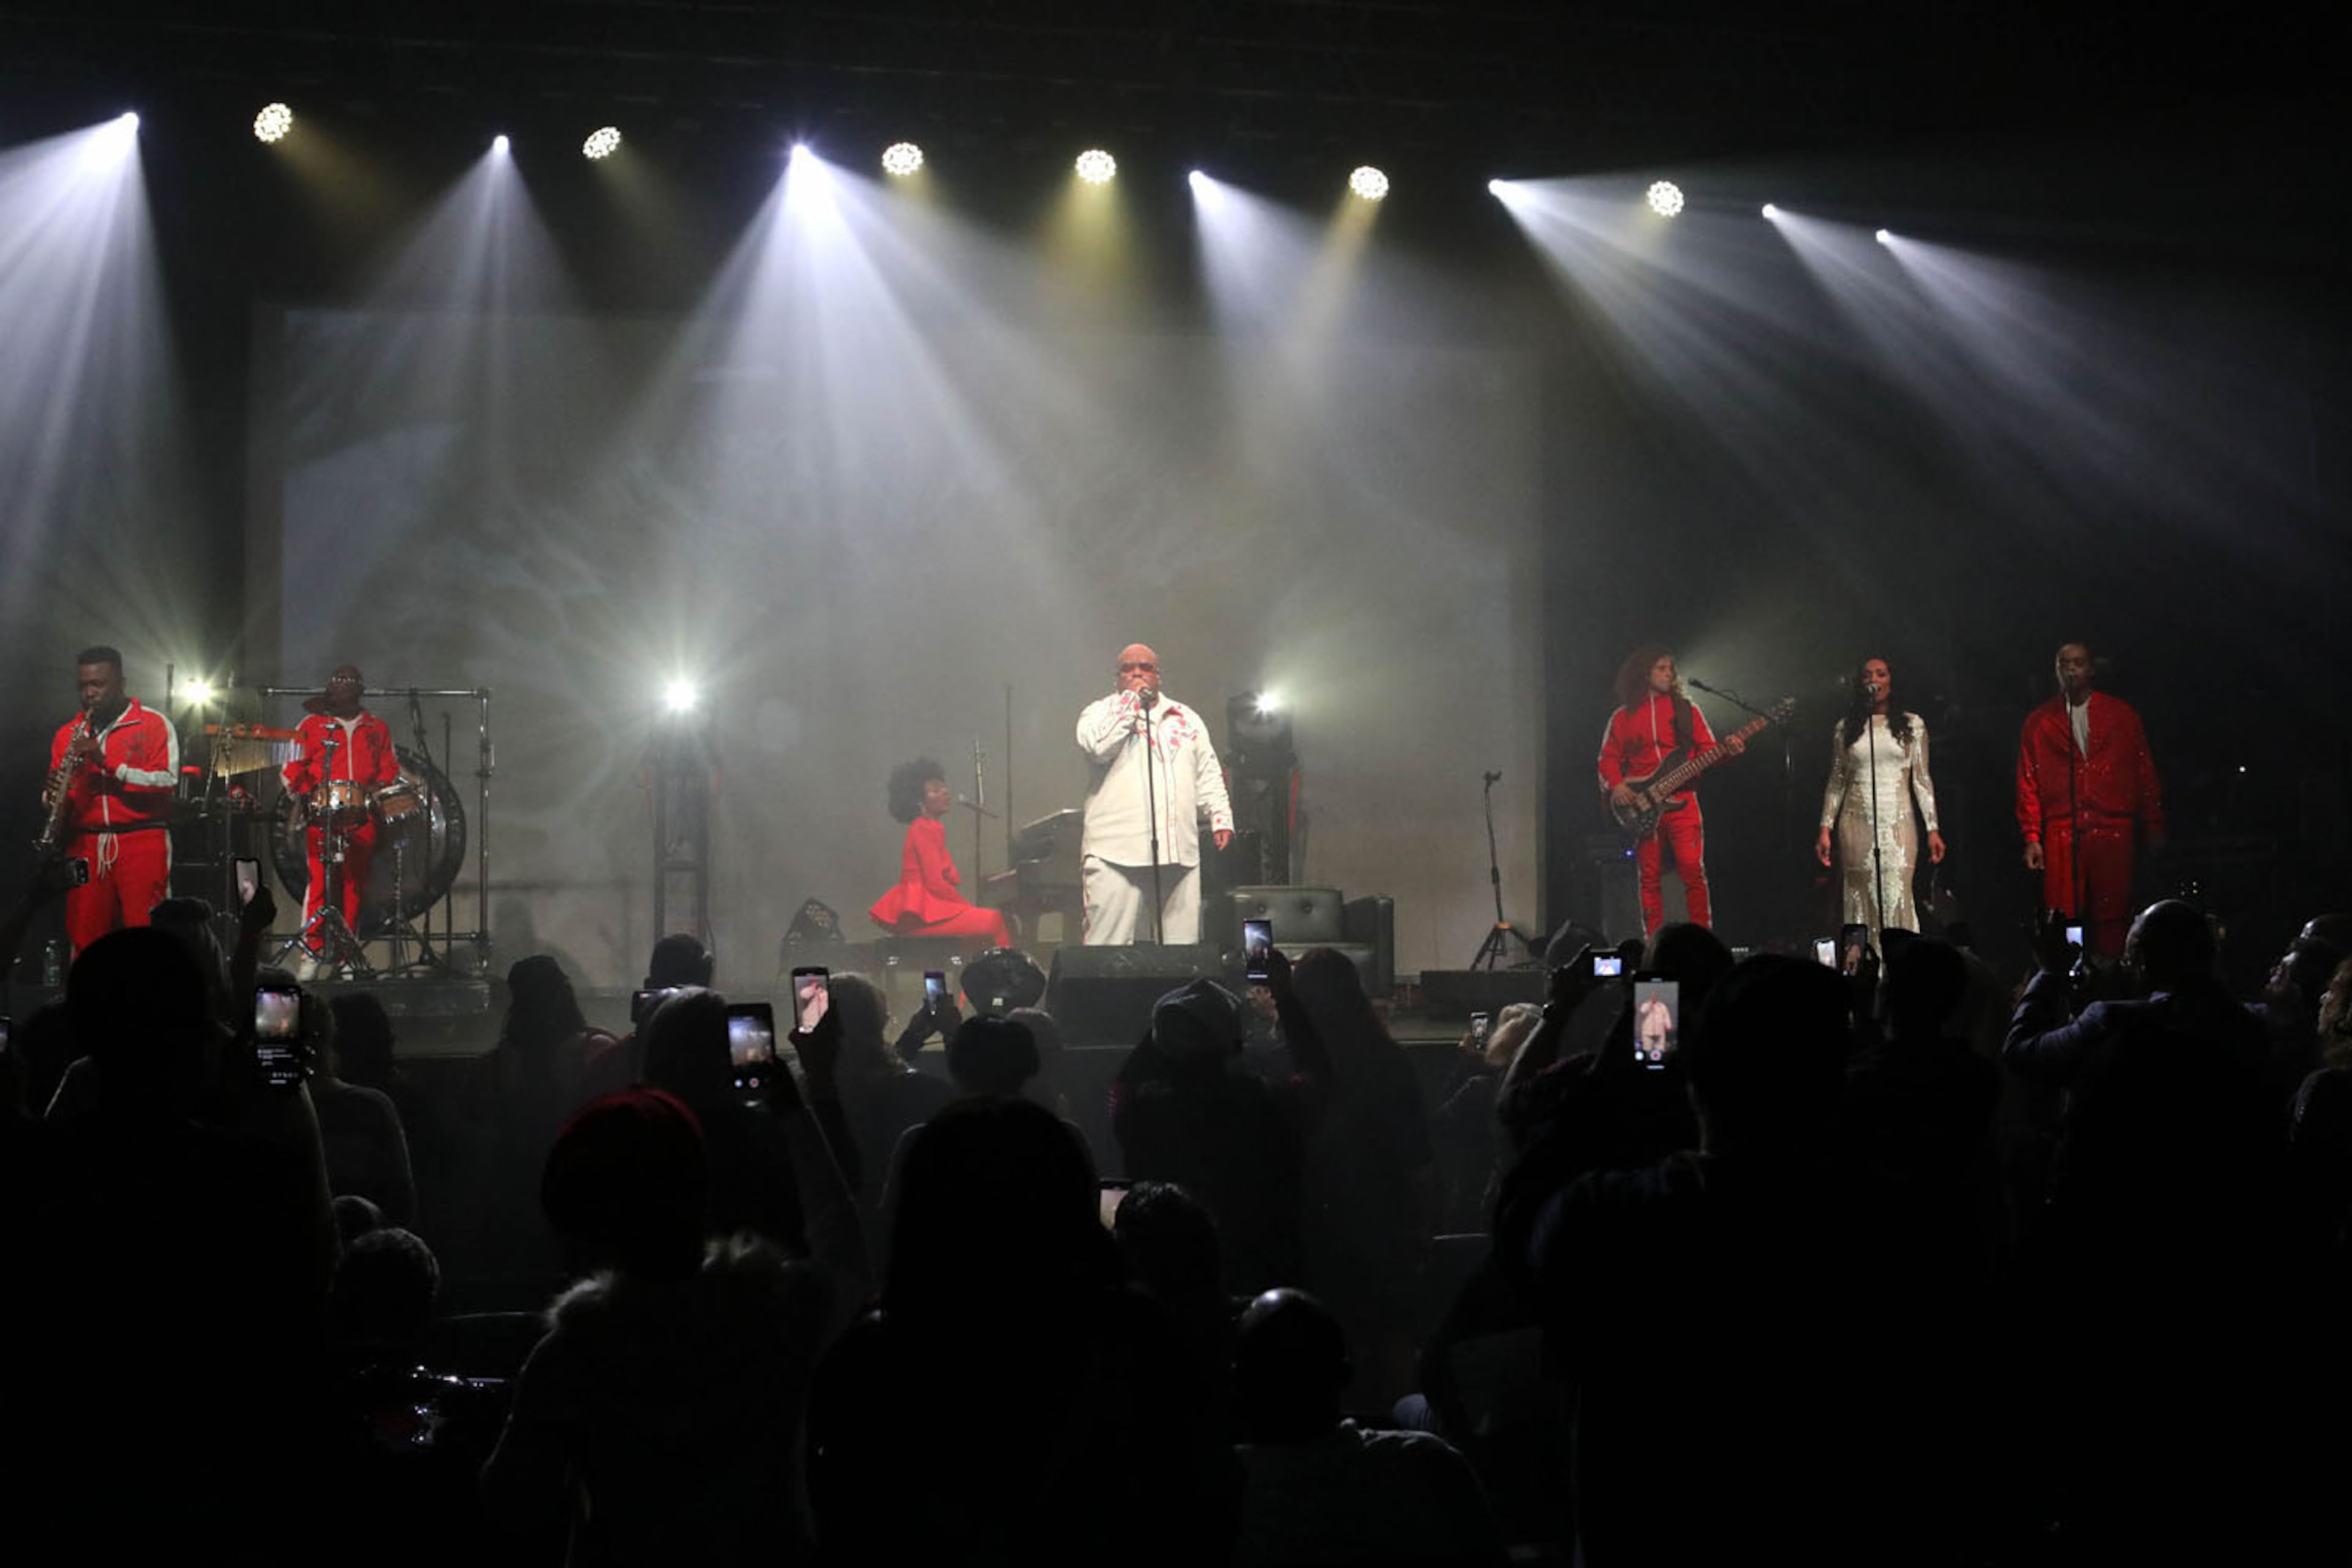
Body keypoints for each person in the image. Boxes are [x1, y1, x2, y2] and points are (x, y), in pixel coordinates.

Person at [1075, 643, 1234, 945]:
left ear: (1158, 676)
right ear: (1117, 678)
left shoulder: (1186, 718)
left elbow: (1208, 770)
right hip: (1114, 851)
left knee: (1182, 951)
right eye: (1128, 669)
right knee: (1106, 949)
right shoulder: (1098, 713)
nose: (1137, 673)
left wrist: (1220, 815)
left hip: (1177, 851)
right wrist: (1130, 703)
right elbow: (1099, 748)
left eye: (1145, 668)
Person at [2015, 641, 2163, 958]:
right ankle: (2073, 972)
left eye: (2079, 663)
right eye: (2065, 663)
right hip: (2062, 828)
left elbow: (2143, 771)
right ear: (2056, 670)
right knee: (2065, 913)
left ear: (2091, 669)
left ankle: (2114, 970)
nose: (2071, 669)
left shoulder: (2121, 715)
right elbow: (2028, 781)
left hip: (2112, 823)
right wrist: (2032, 836)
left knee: (2114, 909)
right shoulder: (2040, 723)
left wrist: (2153, 823)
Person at [45, 645, 179, 956]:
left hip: (141, 838)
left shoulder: (153, 724)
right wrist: (52, 795)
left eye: (98, 685)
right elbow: (58, 801)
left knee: (147, 932)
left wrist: (108, 764)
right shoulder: (68, 734)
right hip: (86, 843)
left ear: (121, 684)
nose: (89, 693)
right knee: (84, 936)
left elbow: (167, 779)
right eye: (83, 686)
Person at [1595, 646, 1738, 936]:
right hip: (1643, 804)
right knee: (1649, 877)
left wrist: (1729, 751)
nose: (1669, 673)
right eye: (1662, 668)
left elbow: (1708, 751)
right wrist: (1617, 785)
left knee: (1693, 871)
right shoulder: (1623, 717)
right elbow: (1607, 758)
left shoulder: (1687, 710)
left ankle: (1703, 938)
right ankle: (1653, 943)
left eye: (1671, 668)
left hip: (1683, 801)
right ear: (1645, 673)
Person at [282, 665, 402, 978]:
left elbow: (389, 768)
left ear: (360, 688)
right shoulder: (311, 725)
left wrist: (376, 790)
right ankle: (311, 955)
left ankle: (347, 956)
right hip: (322, 815)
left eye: (348, 681)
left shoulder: (377, 728)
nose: (341, 686)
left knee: (353, 886)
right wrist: (308, 795)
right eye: (336, 681)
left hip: (361, 817)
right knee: (319, 885)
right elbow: (292, 768)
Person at [1815, 656, 1945, 937]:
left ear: (1891, 681)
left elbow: (1922, 780)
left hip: (1898, 820)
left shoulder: (1913, 724)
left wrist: (1933, 829)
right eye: (1867, 676)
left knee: (1896, 890)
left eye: (1881, 674)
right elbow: (1837, 780)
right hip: (1855, 820)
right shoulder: (1845, 728)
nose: (1874, 680)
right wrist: (1825, 829)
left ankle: (1899, 967)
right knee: (1860, 894)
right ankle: (1866, 968)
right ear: (1860, 684)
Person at [866, 756, 1011, 949]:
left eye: (944, 788)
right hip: (920, 917)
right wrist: (966, 908)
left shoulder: (928, 827)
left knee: (985, 926)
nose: (945, 792)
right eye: (935, 790)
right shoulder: (924, 828)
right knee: (994, 920)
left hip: (923, 913)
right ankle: (1010, 975)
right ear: (919, 801)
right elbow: (935, 883)